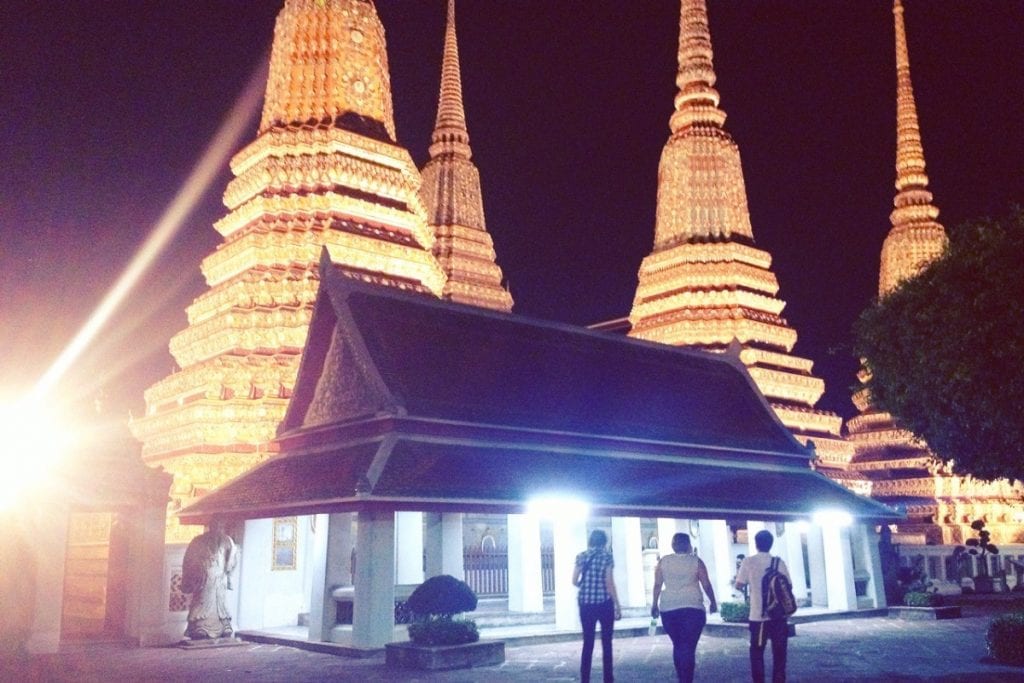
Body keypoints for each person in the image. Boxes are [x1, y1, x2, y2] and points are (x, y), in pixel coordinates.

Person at [651, 532, 718, 683]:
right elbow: (706, 584)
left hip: (669, 609)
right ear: (688, 545)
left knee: (678, 644)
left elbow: (657, 585)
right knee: (689, 647)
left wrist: (654, 604)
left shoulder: (663, 562)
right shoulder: (696, 562)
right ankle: (687, 678)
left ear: (673, 545)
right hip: (693, 608)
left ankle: (682, 677)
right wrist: (713, 602)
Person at [735, 529, 791, 683]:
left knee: (757, 652)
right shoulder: (778, 562)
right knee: (779, 652)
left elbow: (739, 585)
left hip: (758, 616)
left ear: (756, 544)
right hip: (778, 616)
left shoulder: (748, 561)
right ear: (771, 544)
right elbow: (788, 585)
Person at [573, 529, 621, 683]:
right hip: (604, 604)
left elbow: (574, 580)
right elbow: (609, 582)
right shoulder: (607, 556)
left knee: (588, 641)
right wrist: (617, 605)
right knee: (607, 642)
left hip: (585, 604)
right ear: (604, 541)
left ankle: (585, 678)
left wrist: (585, 585)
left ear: (591, 540)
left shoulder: (581, 556)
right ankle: (608, 678)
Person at [182, 518, 239, 640]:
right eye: (215, 525)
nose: (218, 527)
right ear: (210, 525)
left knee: (220, 602)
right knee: (203, 600)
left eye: (220, 525)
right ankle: (199, 627)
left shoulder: (227, 540)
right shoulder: (198, 541)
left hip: (220, 578)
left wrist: (228, 569)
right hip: (205, 577)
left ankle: (224, 625)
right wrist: (199, 571)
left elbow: (232, 559)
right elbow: (190, 559)